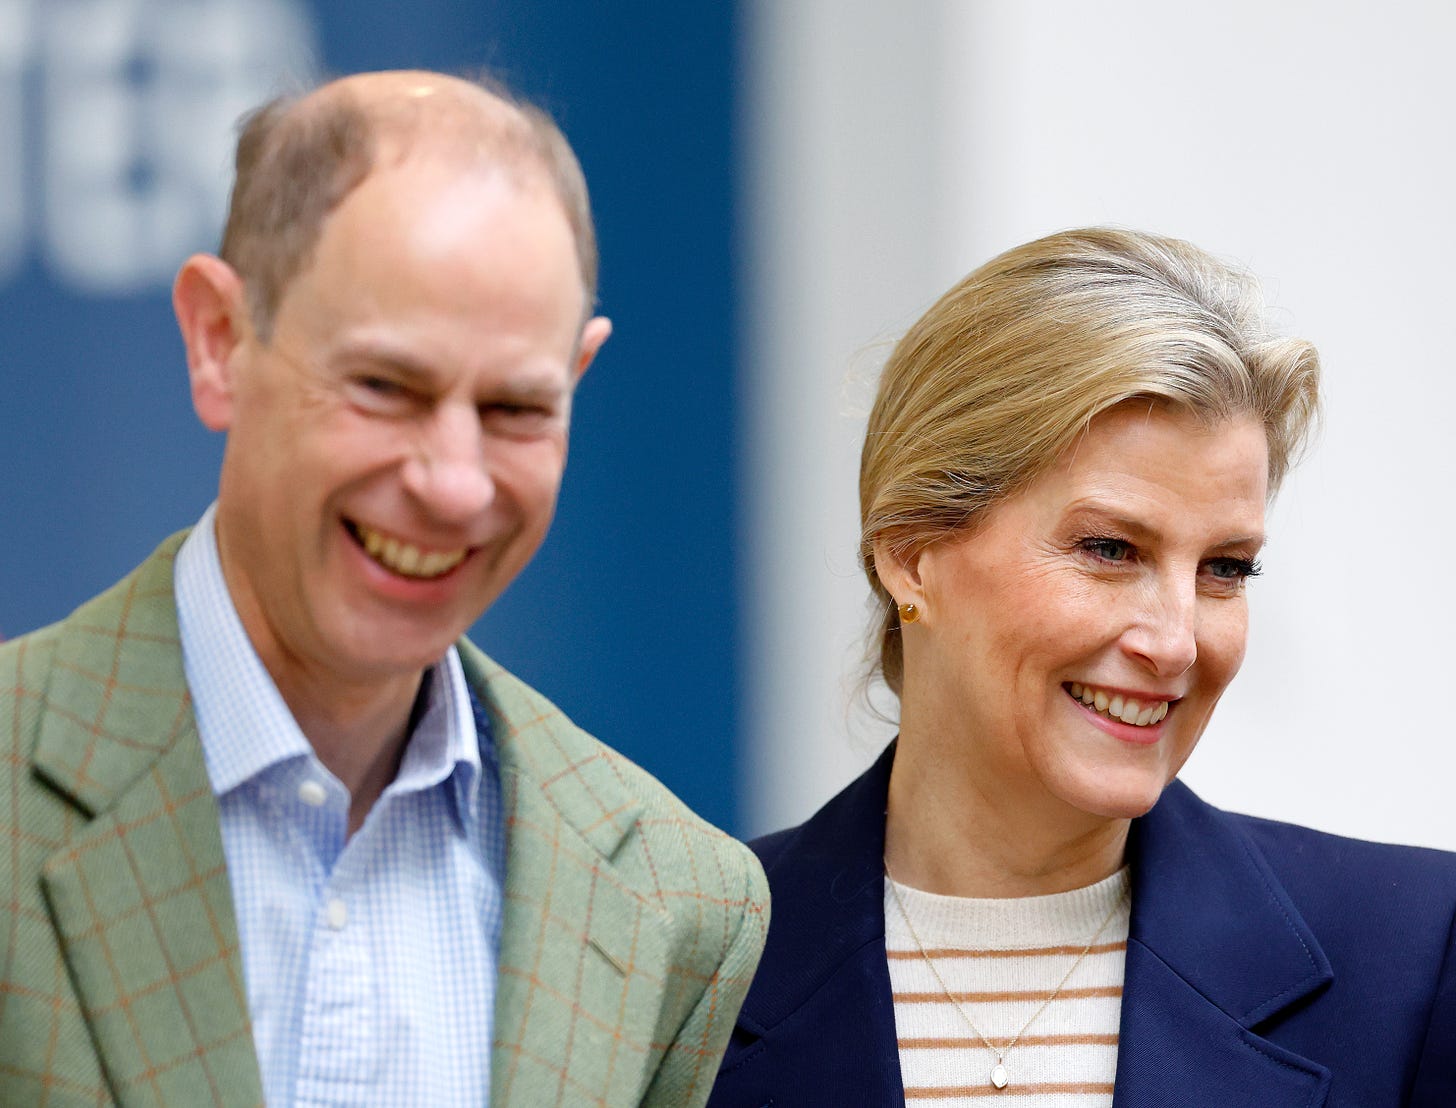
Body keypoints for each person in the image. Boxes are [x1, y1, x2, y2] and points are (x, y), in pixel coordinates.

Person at [0, 70, 767, 1107]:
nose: (453, 483)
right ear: (218, 340)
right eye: (384, 387)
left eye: (514, 409)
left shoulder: (680, 904)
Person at [709, 228, 1456, 1107]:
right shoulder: (690, 967)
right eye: (1109, 549)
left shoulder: (1413, 954)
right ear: (911, 554)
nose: (1175, 642)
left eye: (1225, 568)